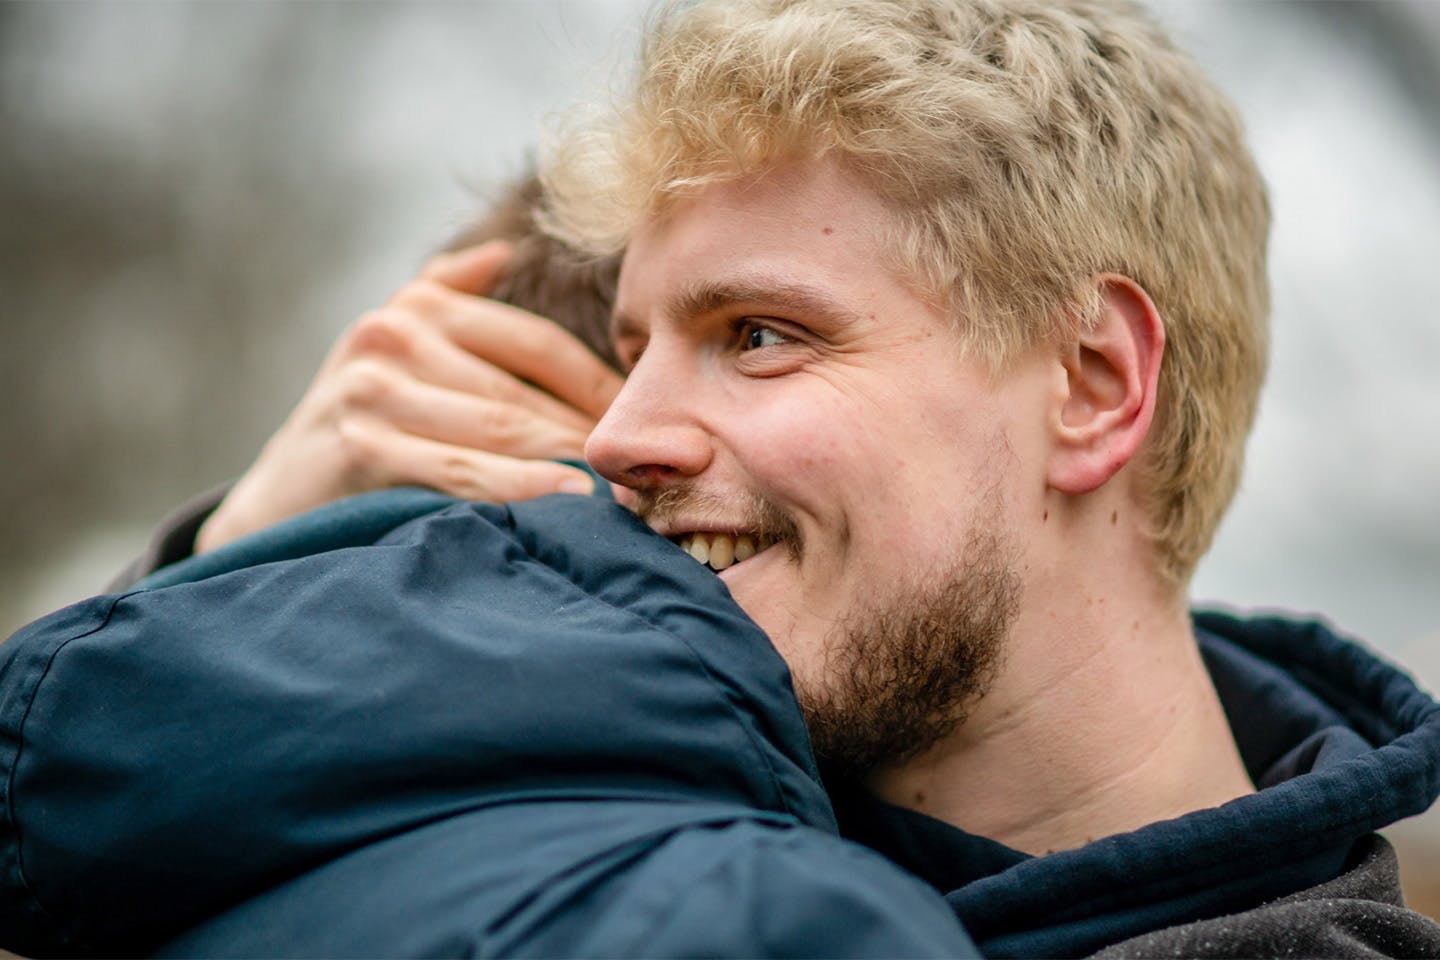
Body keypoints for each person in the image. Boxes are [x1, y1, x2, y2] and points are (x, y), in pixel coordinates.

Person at [8, 0, 1440, 956]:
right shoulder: (550, 844)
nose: (623, 434)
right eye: (627, 350)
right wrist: (240, 570)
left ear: (1093, 386)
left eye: (758, 335)